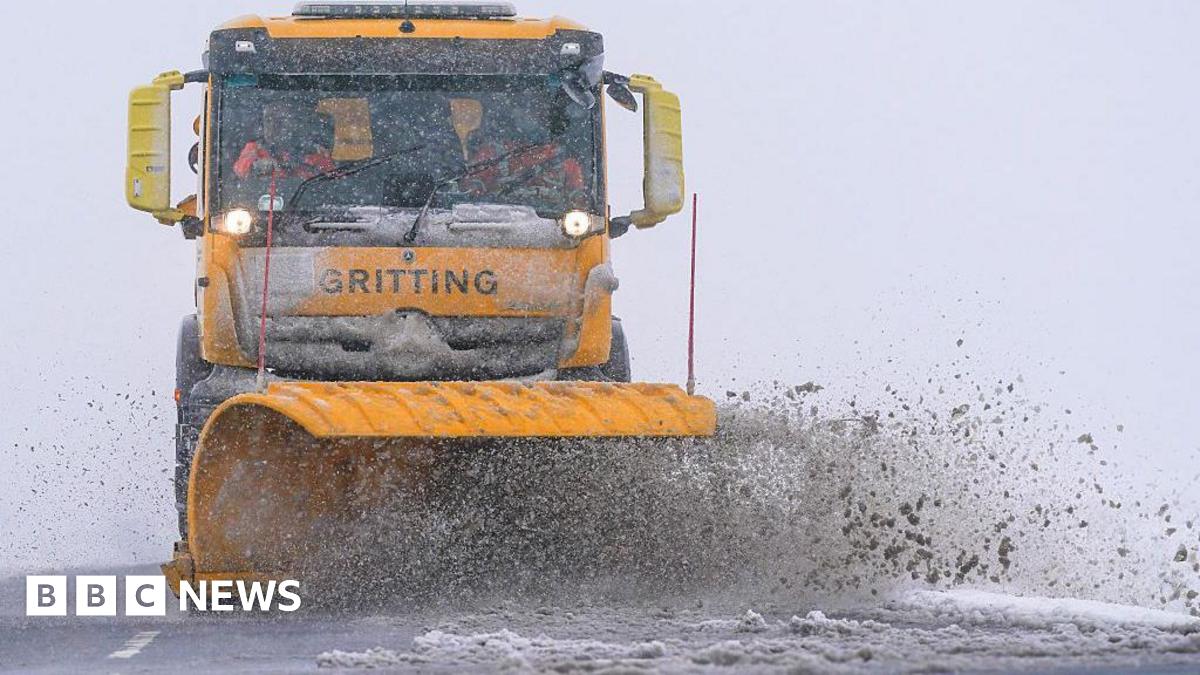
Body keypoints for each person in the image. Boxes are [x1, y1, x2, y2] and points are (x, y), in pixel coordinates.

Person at [460, 99, 585, 205]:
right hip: (497, 219)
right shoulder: (493, 153)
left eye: (536, 112)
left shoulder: (564, 160)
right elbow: (470, 190)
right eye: (523, 109)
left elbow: (578, 203)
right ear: (512, 116)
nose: (528, 116)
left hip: (550, 220)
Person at [233, 102, 335, 180]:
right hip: (263, 199)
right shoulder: (255, 148)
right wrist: (256, 166)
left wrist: (302, 168)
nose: (273, 126)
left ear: (293, 124)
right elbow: (240, 170)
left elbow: (331, 179)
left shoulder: (313, 151)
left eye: (280, 121)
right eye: (268, 120)